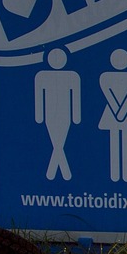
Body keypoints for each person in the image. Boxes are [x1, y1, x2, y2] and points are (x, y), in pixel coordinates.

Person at [34, 48, 81, 180]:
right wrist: (40, 116)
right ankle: (64, 173)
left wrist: (76, 116)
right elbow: (39, 97)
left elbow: (75, 97)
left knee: (58, 142)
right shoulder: (42, 76)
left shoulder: (73, 76)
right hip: (50, 114)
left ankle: (55, 173)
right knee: (58, 142)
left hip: (66, 114)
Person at [98, 48, 127, 183]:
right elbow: (108, 94)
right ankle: (115, 175)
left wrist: (120, 113)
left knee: (126, 140)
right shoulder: (105, 77)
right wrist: (119, 113)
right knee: (114, 140)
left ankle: (126, 175)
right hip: (116, 113)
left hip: (123, 113)